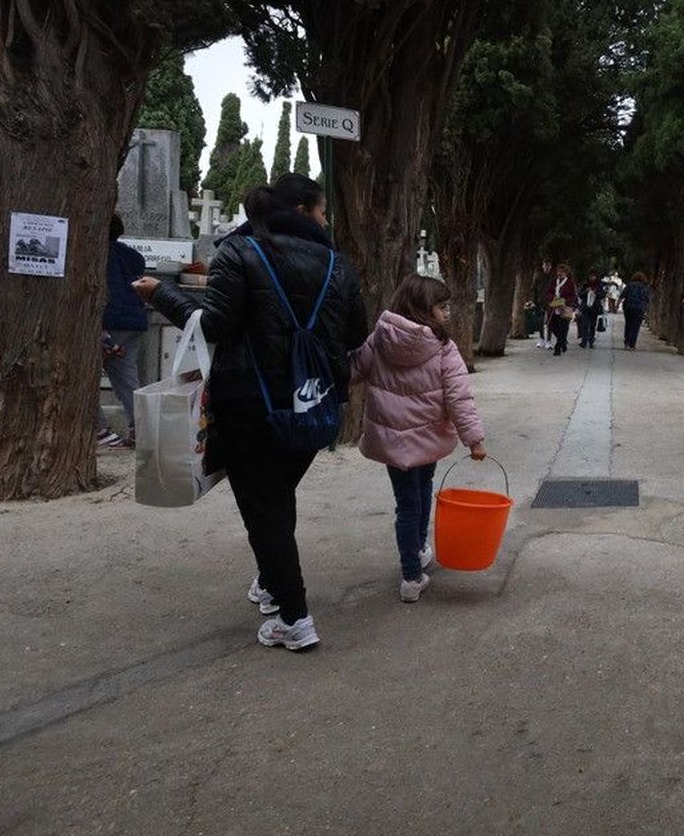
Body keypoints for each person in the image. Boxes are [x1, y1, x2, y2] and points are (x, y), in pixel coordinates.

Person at [135, 173, 366, 653]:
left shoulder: (238, 254)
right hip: (314, 406)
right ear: (303, 210)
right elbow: (354, 336)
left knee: (265, 509)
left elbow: (214, 325)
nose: (326, 220)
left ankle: (294, 617)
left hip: (250, 408)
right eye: (323, 211)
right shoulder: (338, 266)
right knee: (276, 500)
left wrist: (160, 293)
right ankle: (270, 582)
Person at [350, 274, 486, 603]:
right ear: (422, 310)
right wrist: (474, 440)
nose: (447, 313)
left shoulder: (378, 340)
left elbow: (352, 370)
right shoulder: (443, 347)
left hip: (393, 442)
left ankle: (416, 559)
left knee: (408, 503)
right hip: (429, 437)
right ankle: (411, 573)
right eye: (441, 307)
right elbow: (459, 399)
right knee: (421, 496)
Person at [97, 214, 147, 449]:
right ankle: (142, 431)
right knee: (127, 380)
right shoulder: (131, 256)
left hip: (109, 323)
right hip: (134, 322)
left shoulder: (96, 255)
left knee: (82, 375)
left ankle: (98, 429)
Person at [546, 262, 578, 355]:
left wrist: (565, 301)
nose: (559, 273)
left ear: (566, 273)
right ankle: (563, 341)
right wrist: (552, 298)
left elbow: (573, 296)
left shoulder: (570, 283)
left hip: (564, 309)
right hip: (554, 308)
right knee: (552, 326)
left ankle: (558, 347)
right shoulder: (553, 282)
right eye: (558, 271)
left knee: (563, 328)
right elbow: (548, 292)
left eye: (562, 272)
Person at [621, 272, 650, 350]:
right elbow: (647, 299)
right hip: (639, 309)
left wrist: (617, 306)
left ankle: (627, 342)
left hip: (628, 308)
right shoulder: (644, 287)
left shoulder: (629, 285)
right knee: (636, 327)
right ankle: (632, 345)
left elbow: (622, 295)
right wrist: (646, 310)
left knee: (628, 325)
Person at [576, 270, 605, 349]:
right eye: (590, 276)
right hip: (585, 308)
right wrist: (586, 291)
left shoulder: (599, 285)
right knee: (585, 325)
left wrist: (596, 293)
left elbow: (602, 295)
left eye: (593, 276)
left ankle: (591, 341)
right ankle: (584, 342)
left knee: (592, 325)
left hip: (595, 308)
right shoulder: (585, 285)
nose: (592, 278)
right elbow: (580, 295)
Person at [532, 260, 555, 349]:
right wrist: (534, 301)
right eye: (545, 265)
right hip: (540, 302)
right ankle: (541, 339)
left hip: (551, 302)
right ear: (542, 266)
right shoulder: (538, 277)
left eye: (548, 265)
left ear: (551, 266)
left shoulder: (553, 277)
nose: (547, 267)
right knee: (540, 321)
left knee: (550, 322)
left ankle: (548, 340)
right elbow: (534, 290)